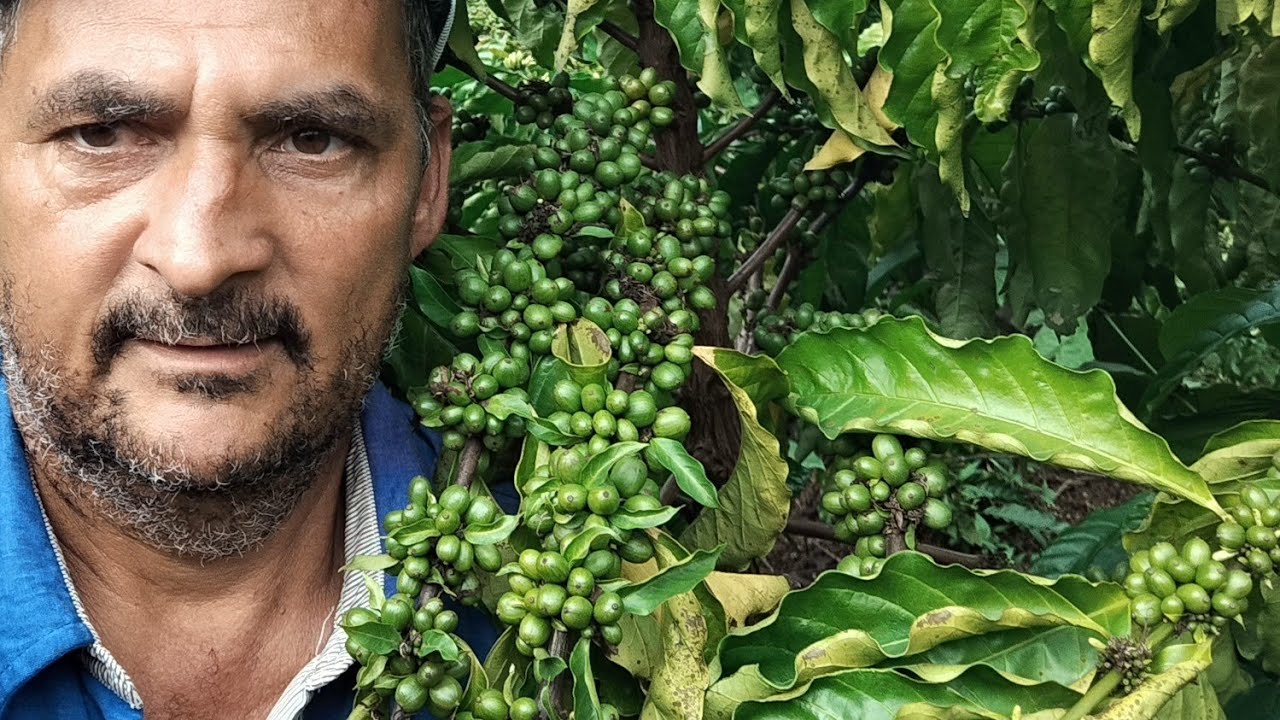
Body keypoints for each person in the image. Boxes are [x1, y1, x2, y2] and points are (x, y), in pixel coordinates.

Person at [0, 0, 493, 717]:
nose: (199, 259)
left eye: (313, 139)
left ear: (426, 183)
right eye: (100, 135)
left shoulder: (580, 621)